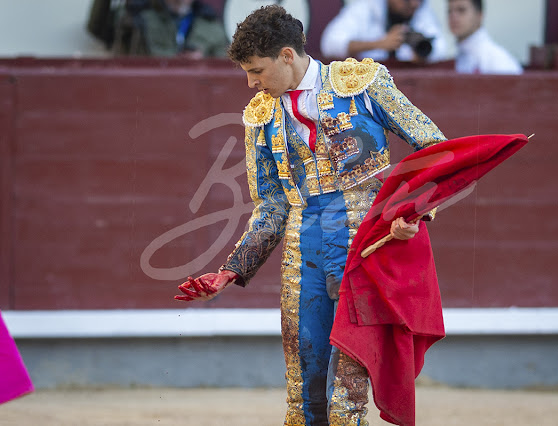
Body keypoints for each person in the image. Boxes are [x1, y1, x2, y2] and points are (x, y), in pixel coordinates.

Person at [174, 5, 446, 425]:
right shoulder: (261, 115)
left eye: (256, 70)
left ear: (286, 55)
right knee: (303, 396)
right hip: (303, 257)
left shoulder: (362, 84)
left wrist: (412, 212)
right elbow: (272, 205)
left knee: (346, 401)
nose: (251, 83)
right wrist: (231, 271)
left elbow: (435, 148)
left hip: (364, 252)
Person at [320, 0, 447, 63]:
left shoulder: (421, 11)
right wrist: (379, 44)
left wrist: (421, 56)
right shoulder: (365, 8)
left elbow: (442, 48)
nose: (414, 4)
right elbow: (330, 44)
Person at [113, 0, 228, 58]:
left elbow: (224, 75)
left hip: (195, 92)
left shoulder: (212, 27)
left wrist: (201, 65)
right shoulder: (136, 18)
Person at [447, 0, 523, 74]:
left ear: (479, 15)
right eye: (450, 11)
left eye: (461, 10)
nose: (453, 16)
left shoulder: (498, 60)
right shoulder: (459, 57)